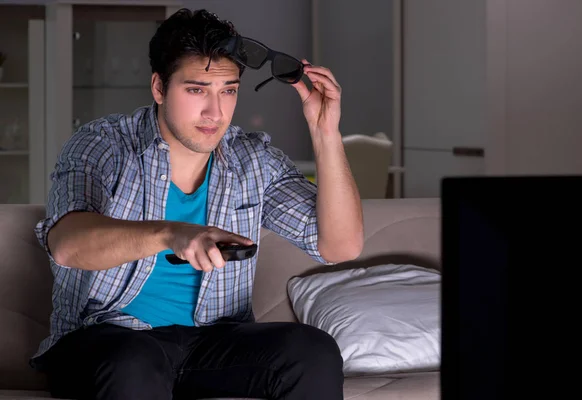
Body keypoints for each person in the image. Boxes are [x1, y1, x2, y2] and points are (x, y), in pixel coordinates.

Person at [30, 8, 363, 400]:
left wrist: (325, 132)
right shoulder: (103, 146)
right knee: (132, 363)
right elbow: (68, 245)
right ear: (159, 88)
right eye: (196, 90)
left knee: (313, 351)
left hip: (213, 340)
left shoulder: (252, 160)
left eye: (228, 91)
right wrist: (173, 234)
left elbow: (340, 246)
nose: (215, 112)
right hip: (107, 339)